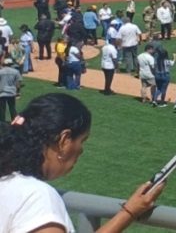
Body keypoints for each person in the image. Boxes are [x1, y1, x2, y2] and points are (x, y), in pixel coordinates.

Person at [0, 93, 165, 232]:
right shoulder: (37, 197)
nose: (81, 150)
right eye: (82, 141)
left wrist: (128, 212)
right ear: (64, 140)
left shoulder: (9, 179)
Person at [0, 57, 22, 122]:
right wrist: (18, 92)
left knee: (2, 109)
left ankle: (2, 122)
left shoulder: (0, 72)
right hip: (12, 93)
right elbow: (18, 83)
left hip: (2, 93)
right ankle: (14, 122)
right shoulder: (16, 72)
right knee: (12, 108)